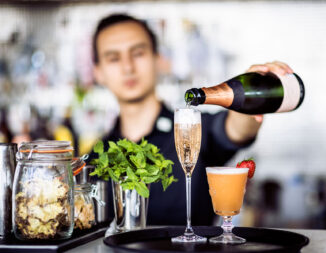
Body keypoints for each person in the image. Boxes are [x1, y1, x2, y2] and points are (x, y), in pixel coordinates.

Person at [90, 13, 294, 226]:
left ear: (158, 59)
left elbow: (236, 129)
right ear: (98, 72)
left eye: (138, 53)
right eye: (113, 58)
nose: (127, 67)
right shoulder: (96, 159)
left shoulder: (195, 131)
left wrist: (251, 96)